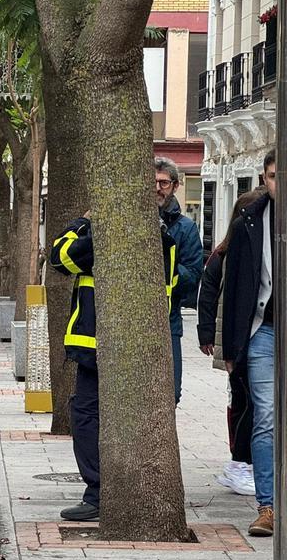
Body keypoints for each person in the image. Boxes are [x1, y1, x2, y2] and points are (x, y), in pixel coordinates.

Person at [49, 201, 181, 523]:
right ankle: (123, 491)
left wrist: (83, 221)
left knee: (85, 414)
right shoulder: (163, 239)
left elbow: (59, 256)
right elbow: (171, 291)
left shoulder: (102, 238)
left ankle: (98, 493)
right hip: (136, 347)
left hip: (96, 345)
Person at [212, 152, 277, 536]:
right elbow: (232, 288)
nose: (279, 183)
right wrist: (231, 348)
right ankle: (267, 506)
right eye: (273, 176)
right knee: (265, 417)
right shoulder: (249, 222)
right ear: (264, 179)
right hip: (263, 332)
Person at [197, 188, 264, 499]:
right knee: (244, 400)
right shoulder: (224, 254)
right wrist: (206, 334)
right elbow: (208, 295)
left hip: (246, 340)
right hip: (236, 342)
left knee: (245, 400)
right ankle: (240, 460)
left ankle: (245, 460)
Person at [155, 156, 204, 404]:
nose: (157, 188)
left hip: (169, 321)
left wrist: (168, 268)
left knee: (171, 392)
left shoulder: (186, 228)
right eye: (152, 182)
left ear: (175, 186)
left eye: (163, 183)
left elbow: (193, 275)